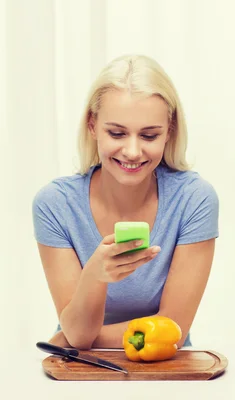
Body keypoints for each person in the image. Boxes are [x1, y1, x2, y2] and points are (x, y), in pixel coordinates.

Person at [32, 54, 219, 350]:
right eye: (116, 133)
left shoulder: (194, 200)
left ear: (169, 131)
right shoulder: (55, 205)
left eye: (149, 135)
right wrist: (95, 275)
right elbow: (79, 333)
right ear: (92, 126)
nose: (132, 151)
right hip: (79, 371)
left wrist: (75, 339)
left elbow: (173, 330)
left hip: (165, 371)